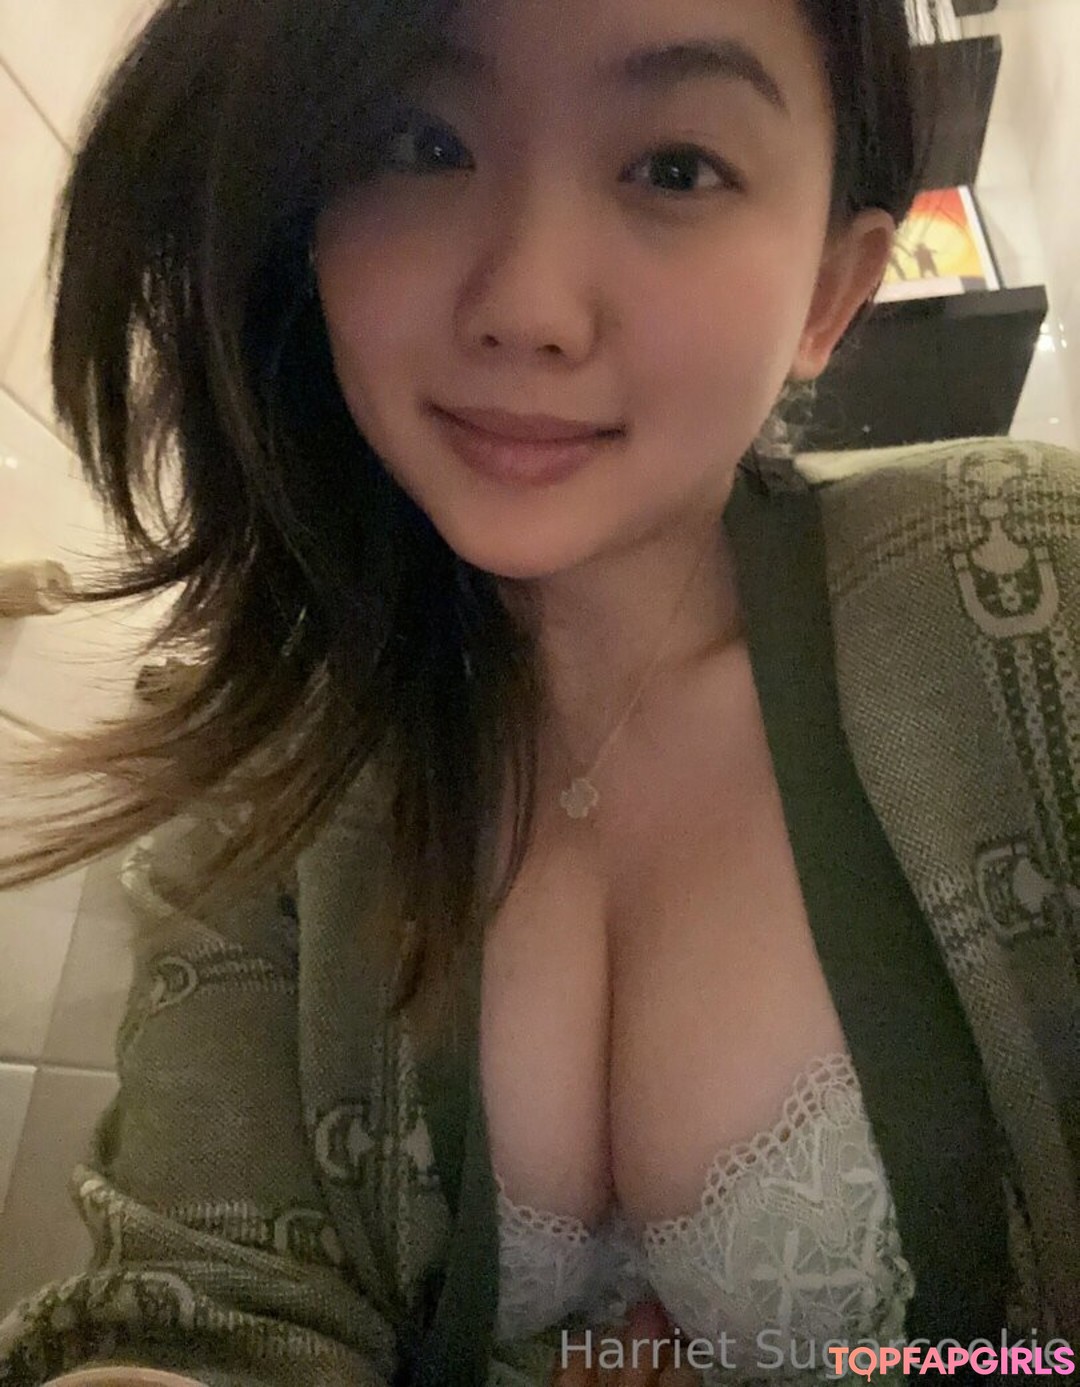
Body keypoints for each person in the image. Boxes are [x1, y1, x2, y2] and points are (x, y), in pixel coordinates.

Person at [0, 0, 1077, 1383]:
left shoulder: (1025, 596)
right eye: (421, 141)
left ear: (832, 291)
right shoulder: (271, 764)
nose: (525, 306)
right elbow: (196, 1314)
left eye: (675, 168)